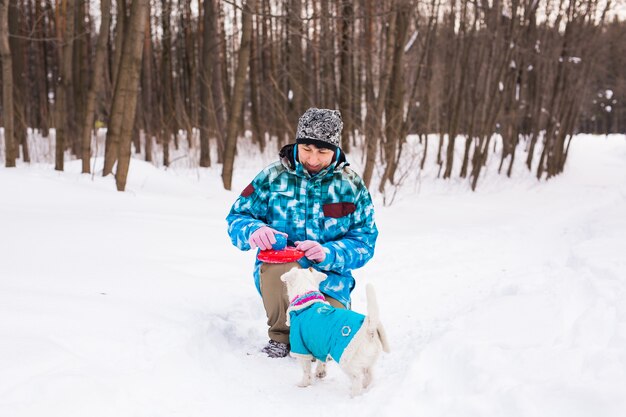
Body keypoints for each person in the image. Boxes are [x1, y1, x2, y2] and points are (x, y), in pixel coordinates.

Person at [226, 108, 378, 358]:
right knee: (282, 272)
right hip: (283, 274)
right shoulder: (272, 177)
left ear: (336, 150)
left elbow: (365, 241)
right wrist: (254, 230)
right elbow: (237, 218)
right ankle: (281, 337)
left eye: (323, 152)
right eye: (307, 149)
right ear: (297, 143)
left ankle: (313, 335)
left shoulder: (352, 185)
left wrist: (329, 252)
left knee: (323, 339)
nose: (313, 159)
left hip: (330, 278)